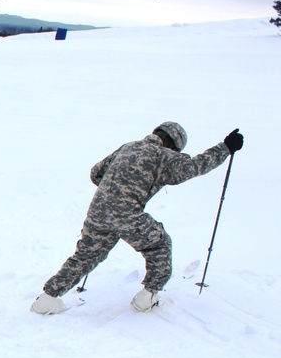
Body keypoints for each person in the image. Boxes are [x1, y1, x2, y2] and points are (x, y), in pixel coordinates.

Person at [31, 123, 244, 314]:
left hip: (98, 211)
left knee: (85, 256)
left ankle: (47, 299)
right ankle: (147, 297)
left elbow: (96, 172)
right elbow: (193, 167)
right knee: (159, 245)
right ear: (174, 146)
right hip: (127, 214)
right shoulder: (163, 155)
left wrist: (114, 190)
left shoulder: (128, 146)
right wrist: (225, 148)